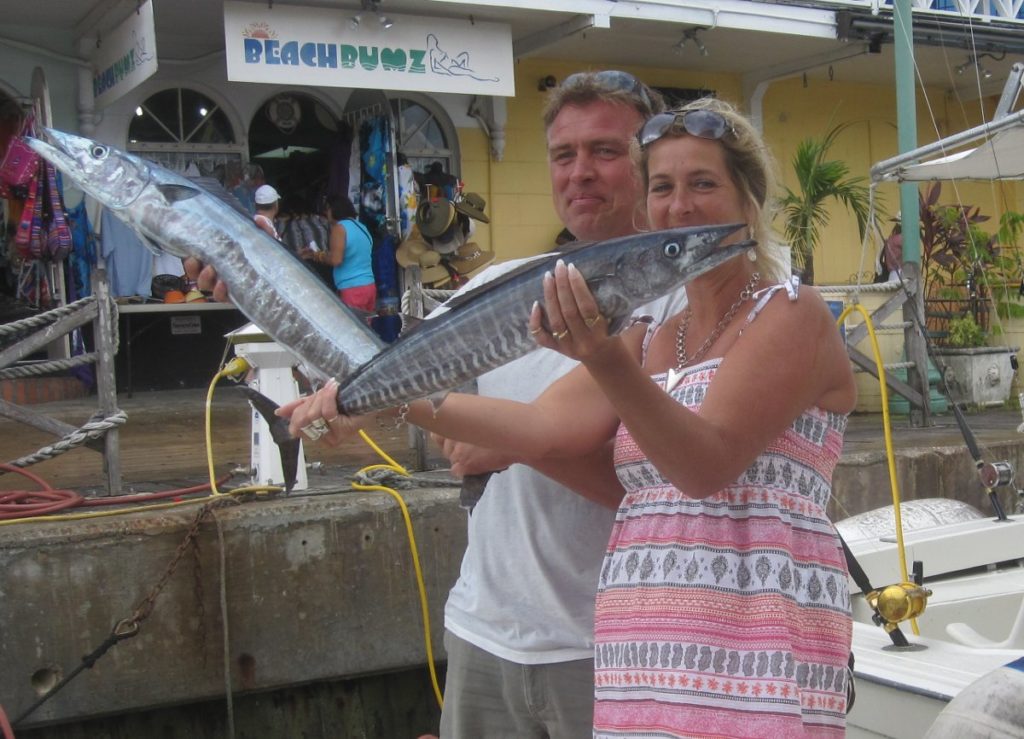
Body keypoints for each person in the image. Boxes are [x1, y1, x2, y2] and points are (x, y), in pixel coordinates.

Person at [285, 97, 857, 737]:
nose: (681, 205)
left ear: (749, 200)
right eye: (663, 187)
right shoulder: (652, 335)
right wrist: (366, 401)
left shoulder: (790, 312)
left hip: (754, 647)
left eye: (704, 184)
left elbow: (705, 464)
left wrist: (604, 357)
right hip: (642, 650)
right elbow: (538, 430)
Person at [292, 71, 670, 739]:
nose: (580, 172)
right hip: (483, 632)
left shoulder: (676, 304)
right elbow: (435, 415)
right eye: (563, 155)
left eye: (606, 151)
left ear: (650, 161)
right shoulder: (496, 286)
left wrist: (503, 439)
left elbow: (651, 488)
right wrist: (340, 411)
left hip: (612, 645)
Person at [300, 193, 377, 312]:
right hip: (369, 287)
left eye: (327, 209)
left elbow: (336, 259)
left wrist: (317, 255)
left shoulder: (339, 228)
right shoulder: (362, 227)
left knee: (351, 328)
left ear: (335, 209)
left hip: (352, 289)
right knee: (366, 327)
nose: (326, 213)